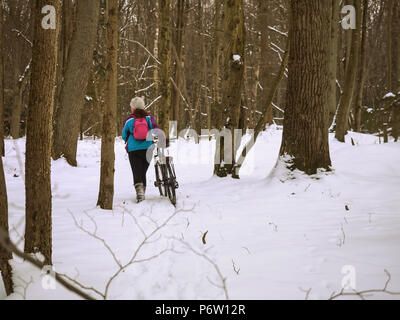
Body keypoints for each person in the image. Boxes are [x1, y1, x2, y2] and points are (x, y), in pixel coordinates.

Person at [122, 97, 158, 202]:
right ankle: (143, 191)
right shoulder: (149, 118)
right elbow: (155, 131)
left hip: (133, 150)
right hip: (148, 148)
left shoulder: (129, 120)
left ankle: (140, 192)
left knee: (136, 172)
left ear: (133, 108)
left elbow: (124, 135)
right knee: (142, 172)